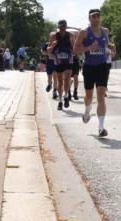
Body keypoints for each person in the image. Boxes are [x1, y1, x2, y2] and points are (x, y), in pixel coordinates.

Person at [74, 8, 111, 136]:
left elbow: (106, 46)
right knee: (89, 96)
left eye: (98, 16)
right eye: (93, 16)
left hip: (102, 66)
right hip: (89, 67)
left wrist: (109, 48)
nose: (96, 18)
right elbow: (75, 50)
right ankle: (87, 109)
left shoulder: (105, 31)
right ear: (89, 18)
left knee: (101, 95)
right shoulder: (84, 32)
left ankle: (101, 127)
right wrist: (89, 48)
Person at [48, 20, 74, 110]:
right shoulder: (53, 36)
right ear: (58, 27)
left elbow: (74, 49)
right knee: (60, 82)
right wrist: (53, 46)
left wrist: (72, 47)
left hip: (68, 61)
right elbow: (48, 50)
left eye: (63, 26)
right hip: (58, 61)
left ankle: (66, 96)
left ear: (66, 26)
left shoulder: (70, 35)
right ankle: (60, 101)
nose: (62, 28)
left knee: (67, 80)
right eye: (60, 26)